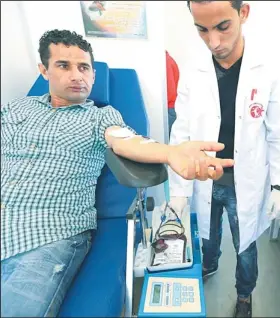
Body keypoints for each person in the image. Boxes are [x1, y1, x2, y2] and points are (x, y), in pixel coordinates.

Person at [0, 29, 234, 317]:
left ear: (94, 75)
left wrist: (172, 153)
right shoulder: (14, 109)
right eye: (64, 66)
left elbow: (126, 140)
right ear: (44, 70)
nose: (77, 75)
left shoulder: (100, 116)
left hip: (45, 235)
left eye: (84, 67)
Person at [167, 1, 280, 317]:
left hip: (245, 184)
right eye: (202, 30)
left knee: (246, 249)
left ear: (244, 13)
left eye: (222, 27)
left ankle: (244, 296)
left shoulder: (269, 71)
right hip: (204, 180)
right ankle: (208, 267)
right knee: (206, 241)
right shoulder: (192, 71)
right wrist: (179, 192)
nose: (214, 42)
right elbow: (181, 134)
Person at [166, 50, 180, 135]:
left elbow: (170, 93)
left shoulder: (166, 62)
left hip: (169, 109)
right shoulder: (167, 60)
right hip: (170, 107)